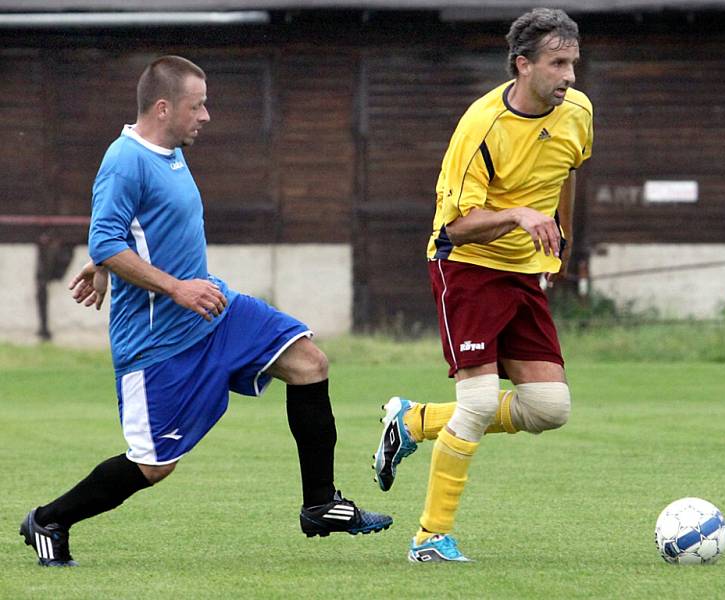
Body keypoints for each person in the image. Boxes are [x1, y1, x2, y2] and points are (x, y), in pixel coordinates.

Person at [20, 55, 391, 567]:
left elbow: (129, 230)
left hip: (214, 310)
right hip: (159, 342)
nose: (207, 116)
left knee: (309, 363)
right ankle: (50, 518)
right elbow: (107, 237)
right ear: (164, 107)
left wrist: (110, 261)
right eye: (198, 106)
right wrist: (155, 280)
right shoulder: (125, 159)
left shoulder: (169, 150)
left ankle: (320, 503)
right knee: (153, 466)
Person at [372, 8, 593, 562]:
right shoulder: (480, 127)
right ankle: (429, 538)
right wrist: (520, 215)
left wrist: (558, 245)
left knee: (548, 407)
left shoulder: (579, 112)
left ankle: (415, 420)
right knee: (476, 403)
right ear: (523, 65)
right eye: (557, 63)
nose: (569, 76)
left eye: (574, 62)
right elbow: (454, 227)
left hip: (523, 270)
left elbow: (566, 176)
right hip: (465, 265)